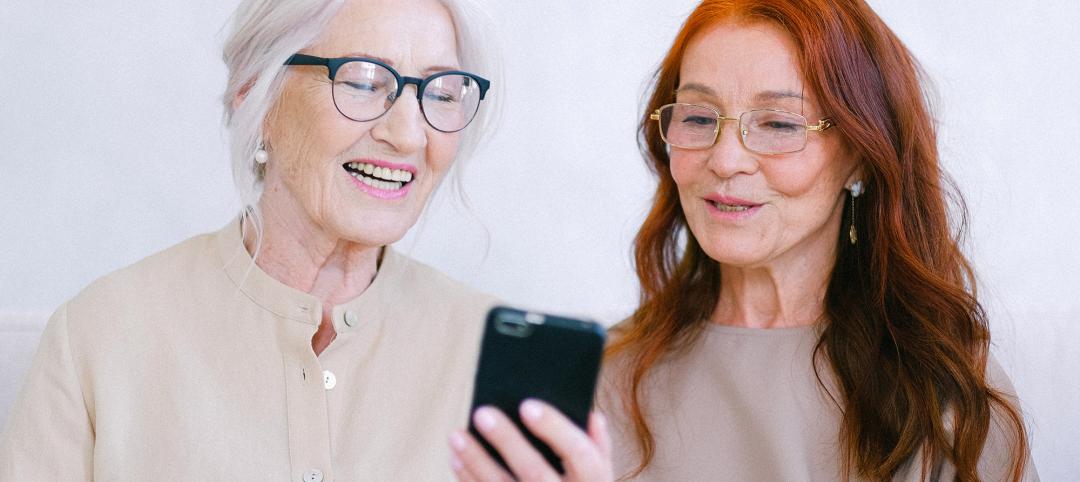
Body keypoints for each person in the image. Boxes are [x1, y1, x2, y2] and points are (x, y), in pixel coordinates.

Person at [451, 0, 1037, 481]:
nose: (726, 160)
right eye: (699, 119)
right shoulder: (602, 379)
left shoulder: (944, 389)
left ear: (861, 156)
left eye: (779, 124)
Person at [0, 0, 499, 479]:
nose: (410, 135)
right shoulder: (97, 334)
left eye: (441, 92)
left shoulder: (493, 352)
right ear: (255, 95)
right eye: (364, 81)